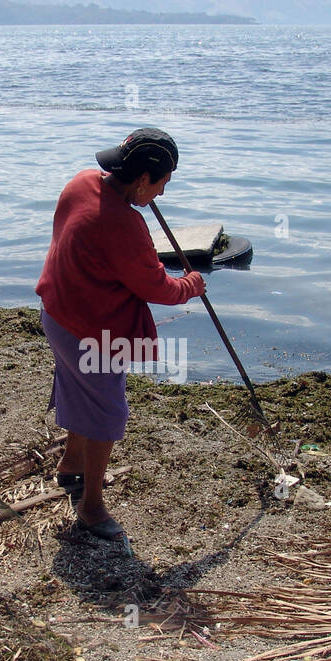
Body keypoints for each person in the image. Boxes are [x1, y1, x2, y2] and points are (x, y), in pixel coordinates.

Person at [35, 128, 205, 540]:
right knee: (108, 412)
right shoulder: (124, 225)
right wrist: (191, 285)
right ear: (143, 179)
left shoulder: (81, 182)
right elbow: (157, 288)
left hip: (56, 312)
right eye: (162, 183)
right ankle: (91, 507)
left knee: (81, 391)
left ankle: (71, 466)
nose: (162, 194)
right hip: (89, 331)